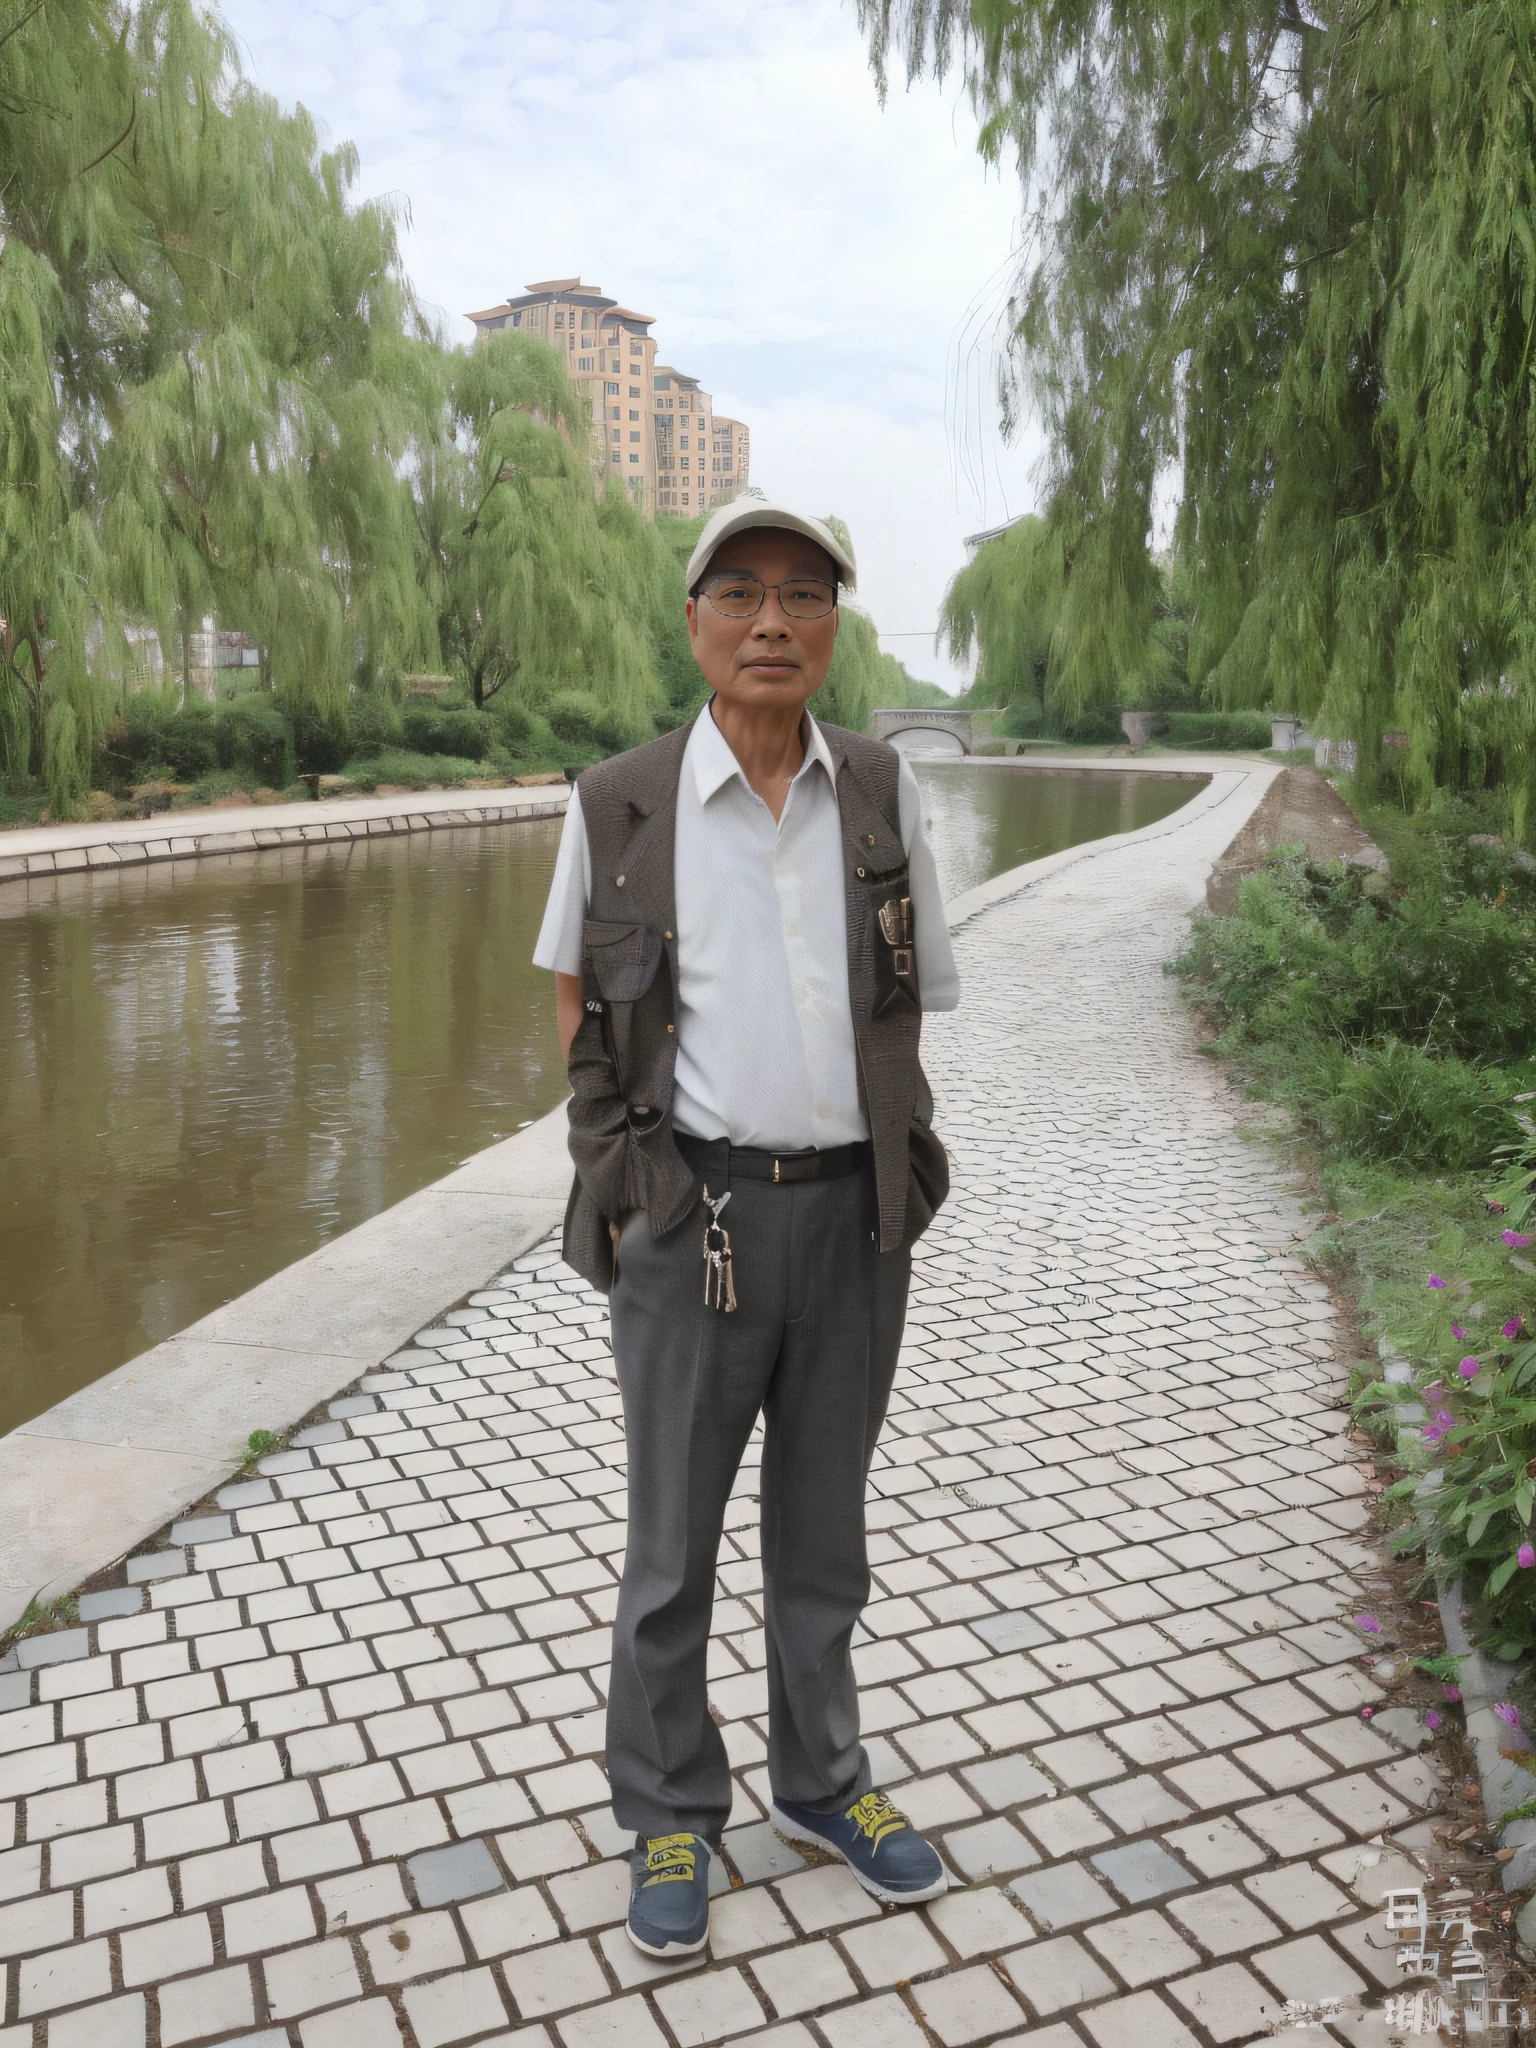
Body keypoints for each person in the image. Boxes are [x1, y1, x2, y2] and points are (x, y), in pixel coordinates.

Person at [532, 495, 960, 1959]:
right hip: (691, 1224)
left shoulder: (887, 793)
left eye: (803, 594)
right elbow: (583, 1017)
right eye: (741, 593)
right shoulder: (618, 802)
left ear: (834, 625)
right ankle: (666, 1807)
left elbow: (914, 1003)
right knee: (671, 1549)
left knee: (823, 1538)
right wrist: (630, 1181)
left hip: (855, 1225)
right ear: (696, 620)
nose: (772, 621)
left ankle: (822, 1783)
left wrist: (897, 1168)